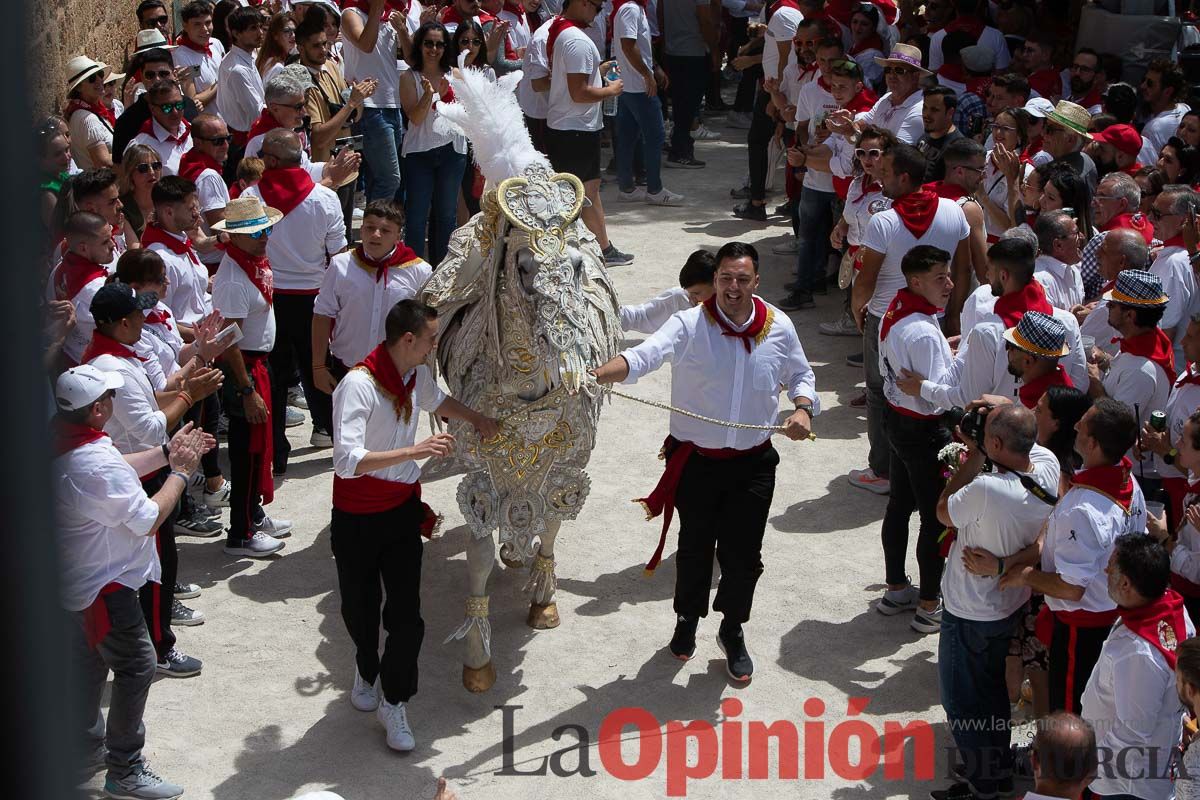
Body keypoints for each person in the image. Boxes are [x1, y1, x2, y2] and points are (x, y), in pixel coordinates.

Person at [591, 241, 818, 681]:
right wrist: (599, 374)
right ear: (715, 280)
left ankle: (732, 629)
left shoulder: (780, 325)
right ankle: (686, 621)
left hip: (754, 464)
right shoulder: (688, 323)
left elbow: (801, 374)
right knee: (695, 548)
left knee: (744, 555)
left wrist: (804, 408)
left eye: (742, 279)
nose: (733, 287)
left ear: (757, 281)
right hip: (697, 463)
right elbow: (643, 356)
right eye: (725, 278)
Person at [331, 299, 499, 750]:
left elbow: (437, 400)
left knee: (407, 616)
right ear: (408, 340)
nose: (434, 346)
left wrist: (477, 418)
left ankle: (395, 701)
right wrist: (415, 450)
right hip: (356, 519)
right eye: (431, 338)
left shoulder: (416, 376)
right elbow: (347, 461)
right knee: (360, 609)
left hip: (401, 512)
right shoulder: (358, 385)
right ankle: (365, 667)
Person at [54, 364, 210, 800]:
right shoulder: (92, 463)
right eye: (109, 396)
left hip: (79, 581)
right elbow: (146, 519)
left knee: (90, 662)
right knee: (137, 664)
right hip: (104, 588)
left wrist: (165, 453)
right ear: (98, 409)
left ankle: (84, 750)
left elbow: (115, 466)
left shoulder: (67, 441)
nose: (113, 400)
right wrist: (180, 473)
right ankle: (124, 769)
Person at [85, 281, 223, 678]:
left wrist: (195, 367)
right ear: (122, 323)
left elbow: (153, 397)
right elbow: (149, 427)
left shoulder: (117, 357)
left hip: (139, 468)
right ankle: (160, 647)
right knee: (153, 569)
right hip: (141, 476)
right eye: (137, 315)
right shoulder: (112, 367)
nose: (144, 319)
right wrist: (190, 397)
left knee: (152, 566)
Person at [933, 403, 1060, 800]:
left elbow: (943, 512)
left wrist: (973, 458)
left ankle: (984, 786)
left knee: (961, 701)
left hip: (969, 610)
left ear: (997, 444)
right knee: (991, 691)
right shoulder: (1048, 465)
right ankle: (997, 768)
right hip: (1008, 603)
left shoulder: (986, 488)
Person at [1002, 398, 1148, 713]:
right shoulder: (1129, 481)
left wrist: (1025, 576)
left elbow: (1071, 588)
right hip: (1109, 616)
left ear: (1093, 444)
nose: (1076, 425)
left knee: (1070, 714)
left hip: (1080, 632)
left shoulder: (1083, 509)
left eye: (1083, 423)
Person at [847, 143, 970, 496]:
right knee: (934, 393)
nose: (879, 178)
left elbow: (866, 279)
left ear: (903, 177)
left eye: (885, 172)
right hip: (934, 317)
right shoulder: (954, 210)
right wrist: (953, 314)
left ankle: (883, 470)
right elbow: (963, 270)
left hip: (887, 321)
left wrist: (858, 310)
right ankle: (933, 470)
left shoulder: (883, 221)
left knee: (880, 393)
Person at [243, 129, 347, 463]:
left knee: (273, 374)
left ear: (272, 161)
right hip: (313, 299)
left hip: (267, 298)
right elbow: (339, 256)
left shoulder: (250, 196)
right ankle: (327, 428)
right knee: (318, 364)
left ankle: (276, 450)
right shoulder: (325, 198)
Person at [875, 246, 955, 633]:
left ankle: (895, 589)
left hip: (896, 420)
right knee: (933, 517)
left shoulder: (896, 309)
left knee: (898, 505)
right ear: (916, 281)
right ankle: (928, 604)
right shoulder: (923, 331)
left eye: (948, 275)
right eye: (940, 277)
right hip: (925, 431)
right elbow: (939, 395)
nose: (949, 284)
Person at [211, 196, 292, 557]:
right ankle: (241, 534)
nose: (265, 237)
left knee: (258, 451)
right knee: (246, 453)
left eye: (266, 229)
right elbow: (229, 341)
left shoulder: (252, 264)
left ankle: (253, 515)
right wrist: (247, 390)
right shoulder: (233, 279)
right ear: (234, 237)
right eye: (256, 232)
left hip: (258, 366)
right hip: (244, 370)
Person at [1082, 534, 1192, 800]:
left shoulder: (1138, 653)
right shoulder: (1171, 607)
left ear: (1126, 583)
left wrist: (1091, 763)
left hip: (1127, 782)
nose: (1105, 570)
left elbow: (1133, 730)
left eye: (1111, 566)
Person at [544, 0, 632, 267]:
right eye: (597, 7)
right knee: (574, 196)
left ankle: (602, 248)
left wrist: (598, 71)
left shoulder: (564, 32)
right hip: (575, 130)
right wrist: (610, 91)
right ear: (583, 3)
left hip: (574, 128)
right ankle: (569, 254)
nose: (598, 13)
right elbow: (579, 92)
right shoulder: (577, 40)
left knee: (587, 192)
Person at [313, 200, 433, 386]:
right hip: (347, 369)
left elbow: (428, 327)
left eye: (385, 230)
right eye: (370, 228)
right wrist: (319, 367)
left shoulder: (419, 271)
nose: (376, 235)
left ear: (398, 236)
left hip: (398, 373)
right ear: (361, 231)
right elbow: (322, 315)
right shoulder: (341, 265)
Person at [399, 23, 469, 267]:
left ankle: (443, 272)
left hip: (452, 152)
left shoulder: (456, 75)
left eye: (440, 44)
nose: (434, 49)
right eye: (428, 43)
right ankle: (413, 271)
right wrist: (431, 94)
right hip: (419, 154)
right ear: (420, 45)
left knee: (447, 217)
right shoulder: (408, 77)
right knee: (417, 218)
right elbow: (415, 118)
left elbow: (466, 114)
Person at [612, 0, 682, 207]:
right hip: (637, 86)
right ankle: (655, 190)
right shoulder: (630, 9)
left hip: (630, 85)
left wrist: (654, 67)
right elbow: (628, 45)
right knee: (655, 136)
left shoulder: (635, 9)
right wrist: (647, 74)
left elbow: (640, 44)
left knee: (627, 137)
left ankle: (627, 188)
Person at [341, 0, 410, 203]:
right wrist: (377, 8)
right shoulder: (351, 13)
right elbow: (366, 45)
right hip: (370, 108)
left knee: (378, 178)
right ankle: (378, 222)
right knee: (390, 180)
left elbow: (409, 58)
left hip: (392, 105)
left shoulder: (389, 17)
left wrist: (402, 29)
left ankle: (374, 220)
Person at [142, 176, 213, 341]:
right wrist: (201, 339)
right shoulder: (160, 259)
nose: (197, 214)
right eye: (191, 209)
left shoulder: (180, 239)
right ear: (169, 212)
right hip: (189, 342)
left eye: (197, 207)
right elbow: (160, 318)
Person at [829, 43, 927, 145]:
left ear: (915, 76)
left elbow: (897, 151)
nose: (891, 75)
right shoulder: (886, 98)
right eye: (888, 70)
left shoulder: (919, 109)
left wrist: (856, 133)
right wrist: (849, 129)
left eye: (899, 70)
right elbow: (860, 128)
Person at [1147, 185, 1199, 369]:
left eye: (1157, 214)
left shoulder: (1175, 263)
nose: (1149, 218)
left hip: (1167, 368)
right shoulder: (1182, 256)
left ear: (1184, 221)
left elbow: (1165, 329)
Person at [53, 212, 116, 366]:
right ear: (83, 248)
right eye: (105, 242)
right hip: (97, 366)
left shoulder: (59, 268)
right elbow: (126, 329)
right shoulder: (97, 290)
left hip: (72, 355)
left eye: (112, 237)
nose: (113, 245)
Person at [1079, 172, 1153, 301]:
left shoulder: (1105, 240)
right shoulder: (1153, 236)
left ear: (1122, 204)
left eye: (1101, 197)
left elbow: (1077, 283)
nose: (1093, 203)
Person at [662, 0, 715, 170]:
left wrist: (665, 41)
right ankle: (680, 151)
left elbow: (660, 13)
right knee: (689, 105)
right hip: (693, 51)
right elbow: (705, 19)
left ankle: (679, 146)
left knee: (681, 104)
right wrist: (714, 50)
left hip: (673, 50)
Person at [178, 113, 233, 272]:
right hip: (215, 264)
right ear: (198, 143)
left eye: (227, 138)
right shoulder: (208, 176)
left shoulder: (189, 163)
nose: (225, 145)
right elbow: (220, 227)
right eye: (217, 141)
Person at [619, 248, 718, 333]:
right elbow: (640, 316)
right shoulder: (684, 299)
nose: (691, 298)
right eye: (690, 293)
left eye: (697, 293)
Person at [216, 6, 268, 168]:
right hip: (244, 143)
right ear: (236, 33)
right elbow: (255, 113)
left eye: (260, 27)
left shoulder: (246, 58)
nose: (260, 32)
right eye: (253, 28)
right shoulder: (237, 69)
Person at [1005, 311, 1075, 410]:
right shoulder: (1060, 389)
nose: (1008, 350)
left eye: (1011, 346)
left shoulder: (1038, 405)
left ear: (1028, 361)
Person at [127, 80, 194, 177]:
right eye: (167, 107)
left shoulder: (195, 132)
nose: (175, 112)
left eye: (179, 105)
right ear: (153, 109)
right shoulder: (140, 146)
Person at [64, 56, 116, 169]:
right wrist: (132, 155)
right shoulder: (88, 119)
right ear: (79, 88)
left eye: (100, 74)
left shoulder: (86, 112)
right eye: (92, 78)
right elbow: (103, 162)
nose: (99, 80)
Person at [1138, 58, 1190, 168]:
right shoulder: (1185, 108)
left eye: (1150, 84)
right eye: (1144, 80)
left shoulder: (1152, 129)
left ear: (1168, 91)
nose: (1143, 86)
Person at [174, 1, 225, 111]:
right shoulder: (182, 56)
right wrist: (221, 82)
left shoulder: (216, 44)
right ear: (185, 26)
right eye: (197, 24)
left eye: (208, 22)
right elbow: (193, 101)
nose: (205, 29)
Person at [1032, 210, 1084, 311]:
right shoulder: (1040, 281)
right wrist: (1072, 318)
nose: (1082, 237)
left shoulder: (1073, 270)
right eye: (1076, 233)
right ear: (1058, 245)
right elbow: (1045, 319)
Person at [1042, 100, 1098, 193]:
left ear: (1070, 140)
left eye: (1050, 130)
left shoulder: (1063, 178)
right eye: (1045, 127)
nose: (1043, 134)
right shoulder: (1086, 160)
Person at [916, 85, 963, 182]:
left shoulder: (956, 149)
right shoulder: (924, 137)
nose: (926, 114)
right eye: (925, 107)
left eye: (934, 110)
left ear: (950, 112)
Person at [117, 144, 162, 243]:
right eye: (143, 168)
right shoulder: (122, 208)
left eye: (155, 166)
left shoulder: (169, 200)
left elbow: (194, 237)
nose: (152, 172)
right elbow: (134, 248)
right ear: (130, 173)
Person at [257, 11, 296, 85]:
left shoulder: (268, 60)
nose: (293, 35)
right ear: (275, 35)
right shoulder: (278, 68)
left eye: (294, 31)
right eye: (287, 31)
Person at [1065, 48, 1103, 114]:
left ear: (1096, 77)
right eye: (1075, 67)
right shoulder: (1069, 99)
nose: (1077, 73)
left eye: (1085, 69)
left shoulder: (1096, 112)